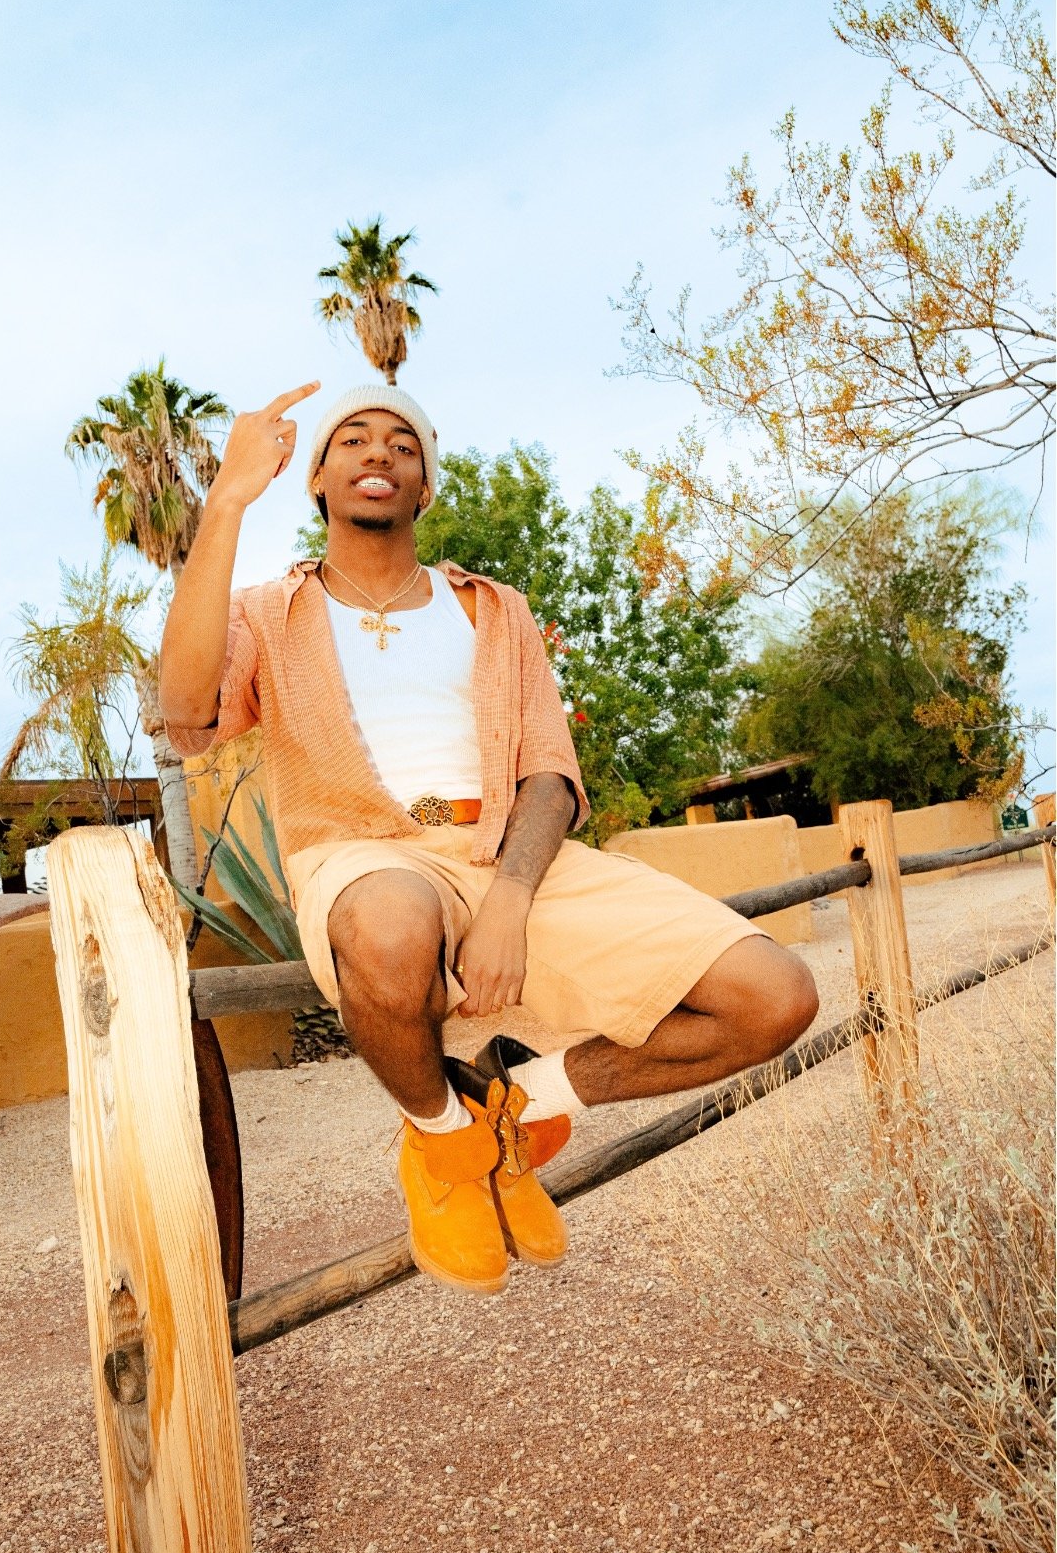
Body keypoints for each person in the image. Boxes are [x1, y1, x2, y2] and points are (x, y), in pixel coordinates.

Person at [159, 382, 819, 1296]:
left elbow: (548, 771)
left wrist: (509, 896)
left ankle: (511, 1105)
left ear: (426, 485)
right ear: (316, 478)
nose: (379, 453)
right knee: (390, 925)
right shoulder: (267, 613)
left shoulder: (493, 610)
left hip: (505, 852)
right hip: (362, 852)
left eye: (403, 444)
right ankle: (443, 1143)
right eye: (352, 439)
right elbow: (185, 709)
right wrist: (228, 501)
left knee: (776, 997)